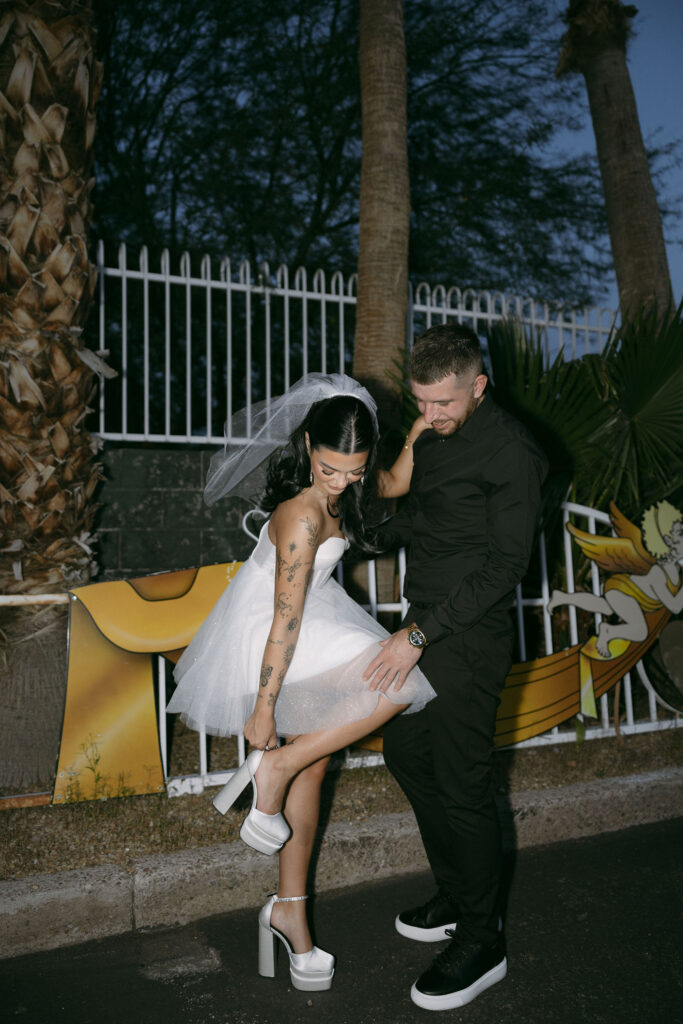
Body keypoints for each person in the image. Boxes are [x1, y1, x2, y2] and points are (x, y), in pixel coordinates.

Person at [167, 373, 435, 994]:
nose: (342, 482)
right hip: (276, 630)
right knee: (395, 679)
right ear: (308, 443)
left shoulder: (353, 482)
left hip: (314, 617)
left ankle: (291, 909)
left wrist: (417, 432)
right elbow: (283, 624)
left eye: (353, 471)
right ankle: (277, 768)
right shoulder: (300, 517)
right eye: (330, 468)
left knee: (314, 767)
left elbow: (393, 482)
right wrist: (263, 708)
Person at [364, 324, 547, 1011]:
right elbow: (422, 519)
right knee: (409, 755)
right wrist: (364, 525)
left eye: (442, 403)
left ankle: (483, 938)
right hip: (427, 624)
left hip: (466, 634)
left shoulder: (512, 452)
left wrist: (416, 635)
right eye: (421, 402)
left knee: (464, 782)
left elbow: (505, 566)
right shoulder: (433, 437)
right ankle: (462, 891)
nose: (429, 417)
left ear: (478, 385)